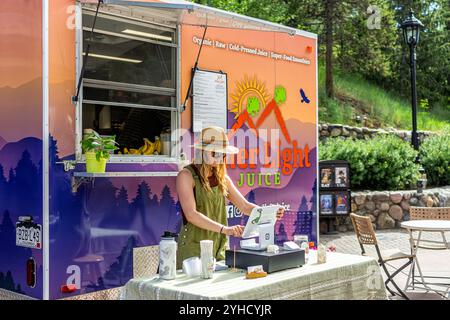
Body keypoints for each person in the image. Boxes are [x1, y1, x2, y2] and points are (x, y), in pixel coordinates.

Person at [176, 126, 284, 267]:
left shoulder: (222, 178)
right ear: (202, 151)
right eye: (215, 153)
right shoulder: (186, 176)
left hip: (220, 248)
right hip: (194, 251)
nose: (219, 158)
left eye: (222, 154)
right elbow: (191, 214)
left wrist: (269, 212)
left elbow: (245, 206)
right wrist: (225, 229)